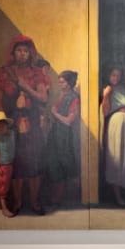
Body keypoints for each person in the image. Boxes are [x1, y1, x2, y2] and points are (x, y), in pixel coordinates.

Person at [0, 35, 52, 216]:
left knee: (35, 163)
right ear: (14, 52)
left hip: (33, 121)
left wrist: (25, 86)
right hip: (12, 123)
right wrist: (2, 123)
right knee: (17, 165)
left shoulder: (36, 73)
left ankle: (35, 202)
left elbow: (43, 98)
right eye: (19, 50)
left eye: (26, 51)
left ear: (30, 53)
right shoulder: (5, 72)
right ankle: (18, 202)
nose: (22, 54)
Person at [102, 65, 125, 207]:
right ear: (108, 76)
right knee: (117, 158)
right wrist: (105, 95)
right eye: (113, 75)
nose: (116, 78)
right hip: (117, 122)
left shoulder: (124, 90)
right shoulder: (107, 89)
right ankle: (118, 197)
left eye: (118, 75)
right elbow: (105, 113)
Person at [44, 70, 81, 208]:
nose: (60, 84)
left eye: (63, 81)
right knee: (52, 162)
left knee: (62, 163)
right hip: (55, 134)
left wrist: (54, 113)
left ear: (70, 82)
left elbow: (69, 121)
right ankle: (55, 196)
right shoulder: (62, 95)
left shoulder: (74, 98)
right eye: (59, 81)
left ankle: (58, 198)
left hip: (64, 136)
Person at [0, 110, 16, 216]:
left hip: (12, 164)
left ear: (6, 125)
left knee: (10, 185)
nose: (0, 128)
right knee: (2, 186)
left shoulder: (12, 134)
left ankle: (11, 204)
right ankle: (4, 207)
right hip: (3, 166)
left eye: (2, 125)